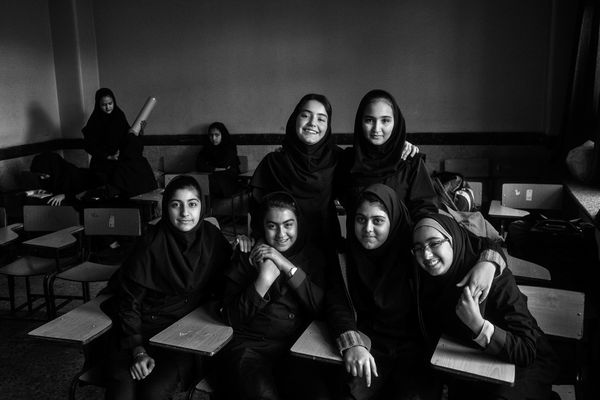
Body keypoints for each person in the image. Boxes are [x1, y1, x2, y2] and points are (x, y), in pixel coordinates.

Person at [326, 183, 504, 400]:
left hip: (418, 346)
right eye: (360, 219)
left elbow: (483, 243)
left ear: (393, 220)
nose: (368, 229)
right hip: (369, 343)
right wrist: (351, 343)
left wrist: (488, 264)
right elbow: (337, 302)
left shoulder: (417, 247)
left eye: (378, 220)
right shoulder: (347, 256)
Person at [103, 175, 232, 400]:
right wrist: (137, 350)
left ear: (202, 206)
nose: (185, 213)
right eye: (176, 205)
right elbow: (128, 302)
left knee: (153, 392)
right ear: (165, 208)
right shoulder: (150, 243)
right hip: (136, 329)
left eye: (192, 204)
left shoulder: (212, 239)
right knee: (122, 388)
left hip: (181, 332)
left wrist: (245, 249)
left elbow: (230, 279)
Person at [412, 213, 559, 400]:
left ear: (453, 239)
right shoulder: (426, 281)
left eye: (434, 243)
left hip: (521, 364)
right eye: (418, 248)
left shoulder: (492, 279)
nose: (426, 255)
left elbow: (527, 351)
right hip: (470, 362)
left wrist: (478, 325)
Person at [219, 191, 331, 400]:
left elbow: (322, 309)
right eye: (272, 226)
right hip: (250, 349)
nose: (281, 234)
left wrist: (288, 267)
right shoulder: (247, 252)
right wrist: (263, 280)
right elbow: (231, 317)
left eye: (288, 225)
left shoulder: (312, 256)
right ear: (262, 226)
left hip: (297, 348)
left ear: (298, 224)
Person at [337, 89, 438, 221]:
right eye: (369, 120)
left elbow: (425, 211)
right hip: (356, 235)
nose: (376, 129)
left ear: (396, 123)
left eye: (385, 120)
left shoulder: (410, 161)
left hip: (403, 235)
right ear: (359, 122)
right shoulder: (347, 160)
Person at [82, 88, 131, 179]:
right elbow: (88, 145)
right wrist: (108, 157)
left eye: (110, 103)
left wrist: (140, 129)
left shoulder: (119, 115)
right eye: (104, 105)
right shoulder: (94, 121)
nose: (108, 107)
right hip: (101, 164)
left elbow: (128, 136)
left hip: (120, 160)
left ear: (114, 102)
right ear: (98, 105)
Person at [30, 152, 102, 206]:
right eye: (40, 175)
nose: (42, 178)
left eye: (44, 175)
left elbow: (82, 191)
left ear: (53, 169)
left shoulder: (71, 173)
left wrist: (64, 195)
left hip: (93, 182)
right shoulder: (52, 175)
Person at [196, 122, 242, 197]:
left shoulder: (230, 146)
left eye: (217, 135)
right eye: (211, 135)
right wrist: (215, 168)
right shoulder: (207, 147)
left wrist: (209, 165)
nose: (213, 138)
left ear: (223, 135)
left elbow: (224, 164)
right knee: (200, 181)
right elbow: (199, 165)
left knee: (209, 182)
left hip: (229, 177)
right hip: (212, 175)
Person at [109, 132, 158, 198]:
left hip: (132, 202)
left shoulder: (121, 166)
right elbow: (153, 187)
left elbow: (114, 191)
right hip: (149, 201)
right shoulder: (143, 162)